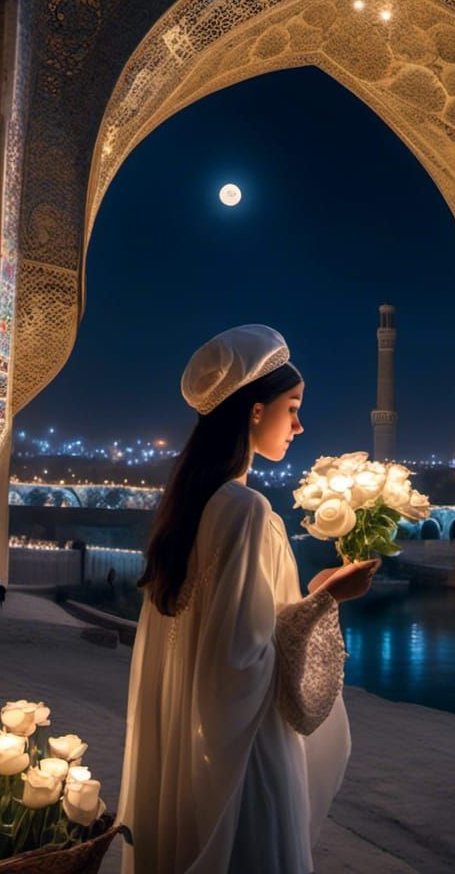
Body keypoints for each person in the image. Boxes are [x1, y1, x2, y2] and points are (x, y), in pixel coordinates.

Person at [119, 325, 377, 874]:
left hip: (191, 745)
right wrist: (328, 600)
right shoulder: (245, 509)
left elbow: (221, 630)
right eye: (293, 407)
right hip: (246, 755)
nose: (300, 425)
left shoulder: (194, 504)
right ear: (254, 412)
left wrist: (309, 595)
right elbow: (240, 660)